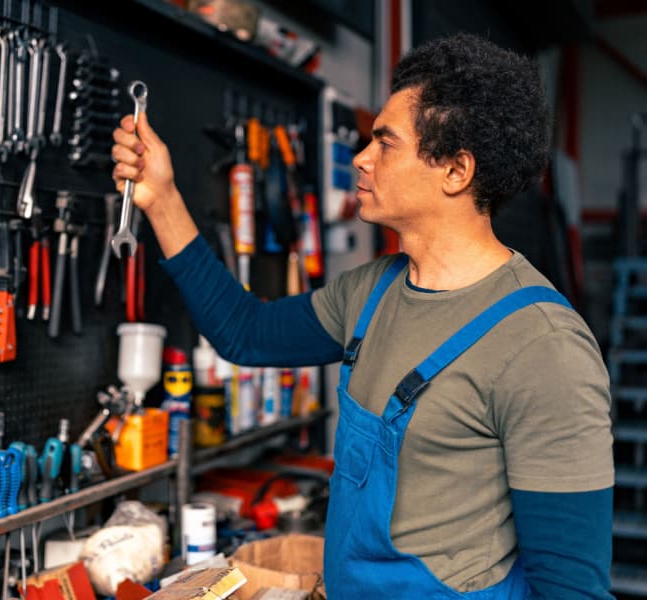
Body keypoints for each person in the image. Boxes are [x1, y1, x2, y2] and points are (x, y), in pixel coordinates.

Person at [111, 33, 613, 599]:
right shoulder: (369, 294)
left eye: (386, 143)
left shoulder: (543, 347)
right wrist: (162, 198)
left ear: (455, 170)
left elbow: (572, 589)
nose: (360, 159)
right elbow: (244, 333)